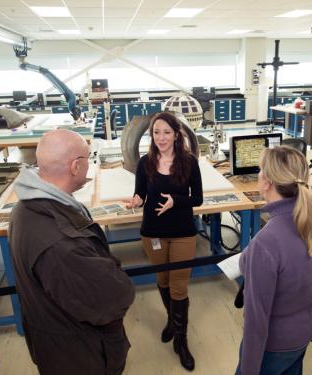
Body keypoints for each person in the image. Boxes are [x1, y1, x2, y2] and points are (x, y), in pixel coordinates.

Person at [9, 129, 135, 375]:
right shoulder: (62, 243)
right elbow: (112, 300)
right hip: (81, 356)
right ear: (76, 166)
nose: (90, 164)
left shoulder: (25, 208)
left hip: (54, 343)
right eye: (89, 157)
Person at [236, 145, 312, 375]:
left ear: (267, 181)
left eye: (260, 170)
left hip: (277, 342)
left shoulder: (266, 242)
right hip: (309, 325)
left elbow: (256, 321)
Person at [124, 112, 203, 371]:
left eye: (166, 132)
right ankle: (172, 320)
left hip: (182, 232)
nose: (161, 137)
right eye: (156, 132)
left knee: (179, 286)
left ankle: (181, 340)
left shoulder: (189, 162)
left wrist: (175, 201)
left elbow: (198, 199)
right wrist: (136, 201)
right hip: (153, 232)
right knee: (163, 281)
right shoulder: (145, 162)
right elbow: (141, 193)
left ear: (176, 134)